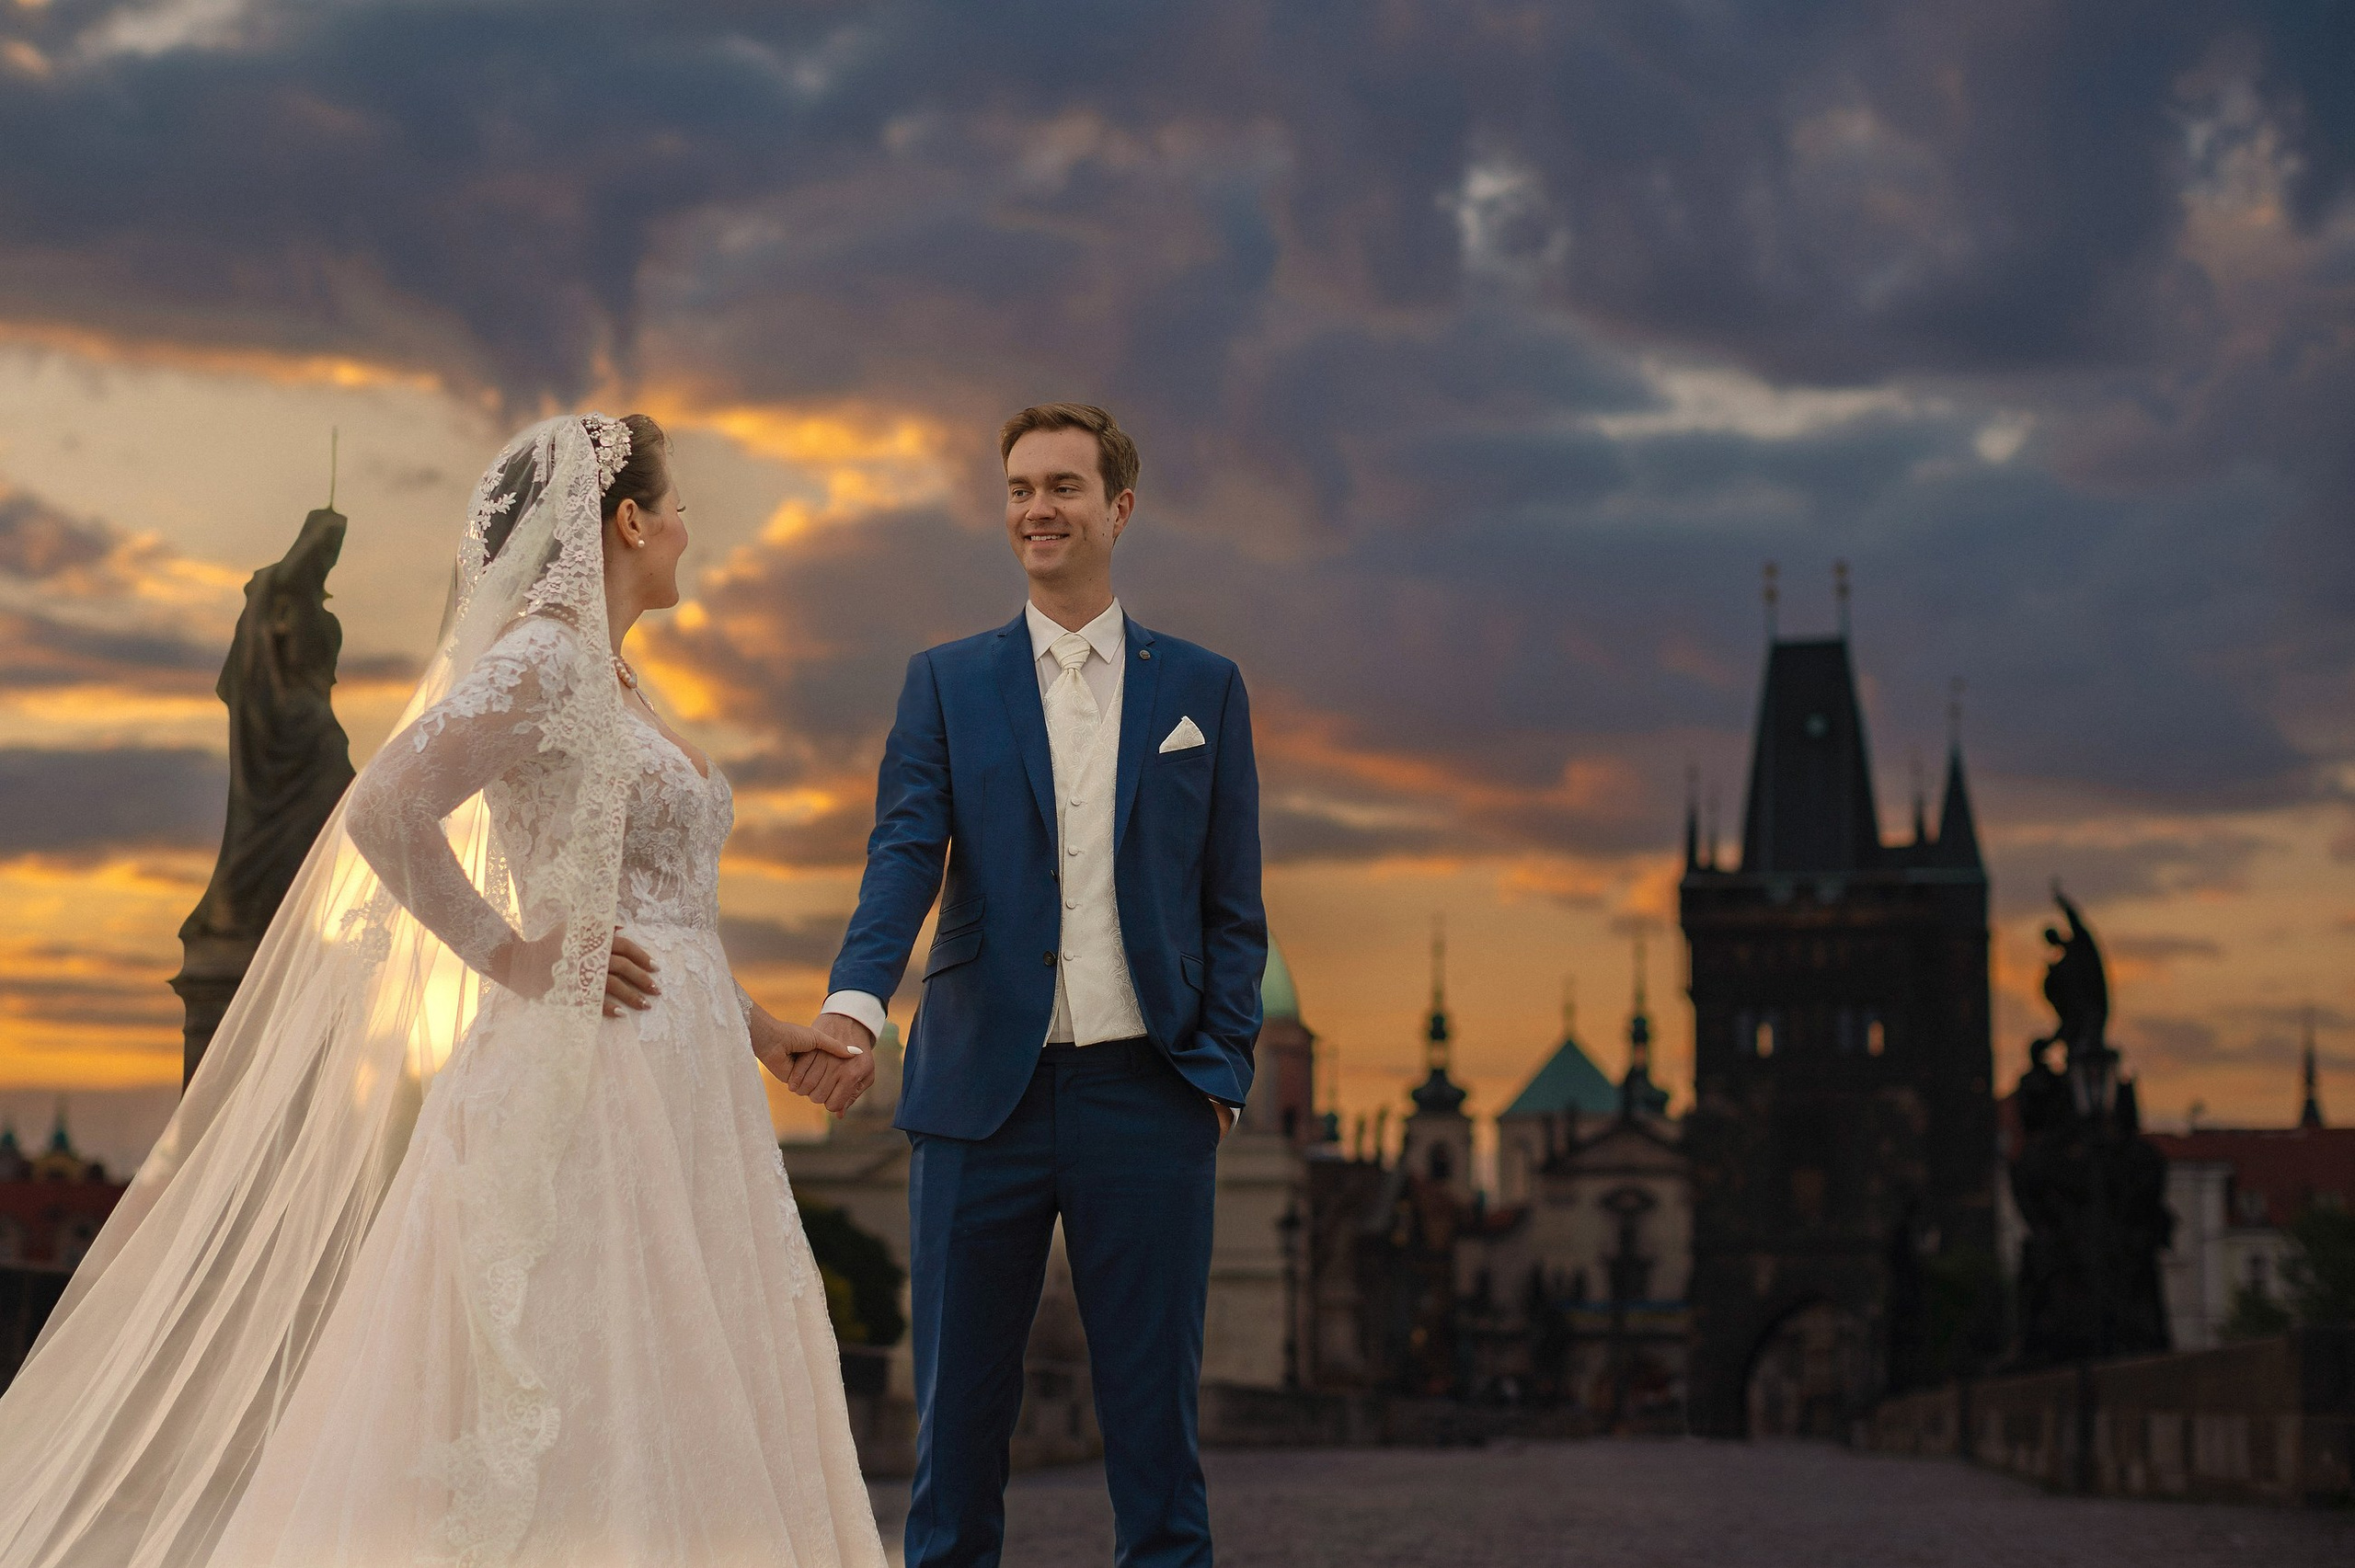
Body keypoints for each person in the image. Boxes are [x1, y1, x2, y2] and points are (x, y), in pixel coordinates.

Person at [0, 415, 885, 1568]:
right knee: (580, 1366)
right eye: (672, 508)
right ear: (625, 520)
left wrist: (767, 1036)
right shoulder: (547, 657)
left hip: (688, 1089)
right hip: (592, 1081)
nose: (684, 531)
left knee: (668, 1369)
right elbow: (383, 807)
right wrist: (510, 953)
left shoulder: (613, 674)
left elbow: (666, 913)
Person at [791, 402, 1266, 1568]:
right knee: (955, 1438)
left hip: (1150, 1094)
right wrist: (855, 1003)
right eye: (1017, 489)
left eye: (1061, 486)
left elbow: (1233, 906)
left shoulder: (1203, 688)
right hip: (973, 1103)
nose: (1036, 509)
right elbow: (902, 856)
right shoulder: (946, 683)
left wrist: (1221, 1069)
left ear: (1119, 509)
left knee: (1157, 1441)